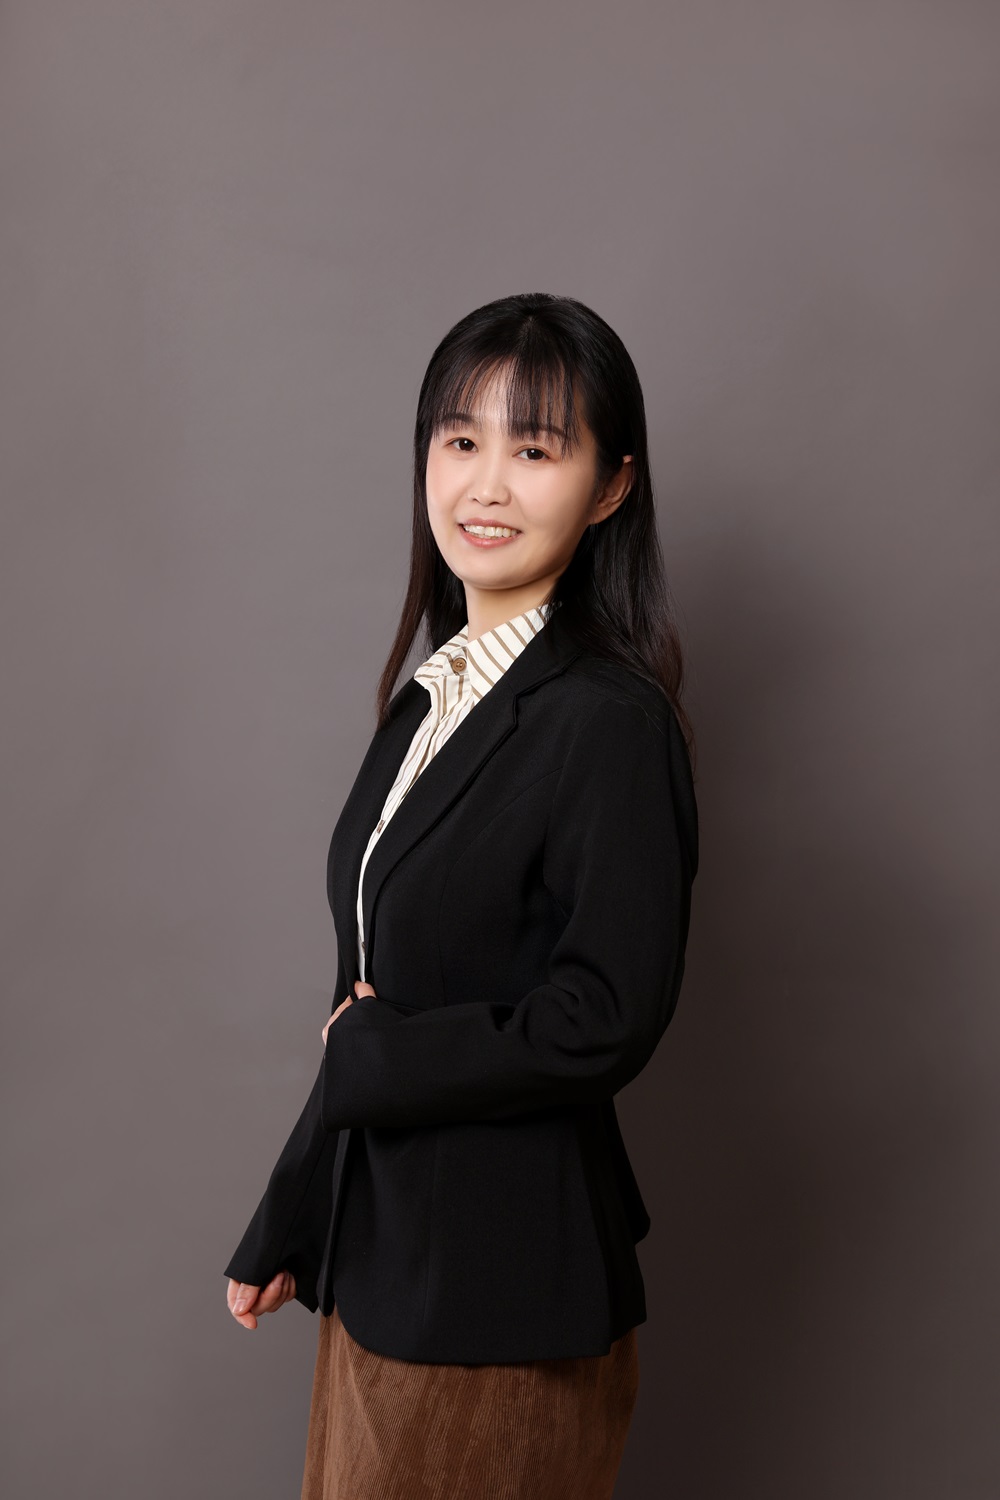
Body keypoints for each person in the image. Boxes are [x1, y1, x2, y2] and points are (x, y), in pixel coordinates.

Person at [223, 291, 699, 1499]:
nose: (485, 485)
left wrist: (376, 1055)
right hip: (379, 1274)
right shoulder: (428, 701)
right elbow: (370, 999)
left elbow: (603, 1015)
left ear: (609, 486)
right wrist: (292, 1215)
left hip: (503, 1300)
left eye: (534, 450)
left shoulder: (607, 721)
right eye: (459, 440)